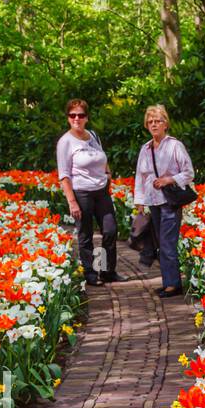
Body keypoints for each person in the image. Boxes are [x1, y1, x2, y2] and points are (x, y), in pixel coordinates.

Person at [56, 99, 121, 285]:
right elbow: (64, 175)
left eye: (81, 115)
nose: (77, 118)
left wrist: (107, 172)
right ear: (68, 118)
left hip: (101, 191)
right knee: (86, 235)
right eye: (72, 115)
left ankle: (107, 270)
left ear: (87, 118)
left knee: (110, 230)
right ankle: (90, 274)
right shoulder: (65, 142)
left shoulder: (92, 135)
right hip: (81, 193)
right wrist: (72, 201)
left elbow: (102, 156)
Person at [133, 105, 195, 298]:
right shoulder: (146, 148)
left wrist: (169, 179)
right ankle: (169, 281)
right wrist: (139, 201)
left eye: (158, 121)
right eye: (150, 122)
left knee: (168, 243)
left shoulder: (175, 146)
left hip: (170, 201)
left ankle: (173, 285)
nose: (154, 124)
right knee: (161, 243)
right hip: (153, 201)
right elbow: (140, 177)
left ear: (166, 124)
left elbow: (189, 173)